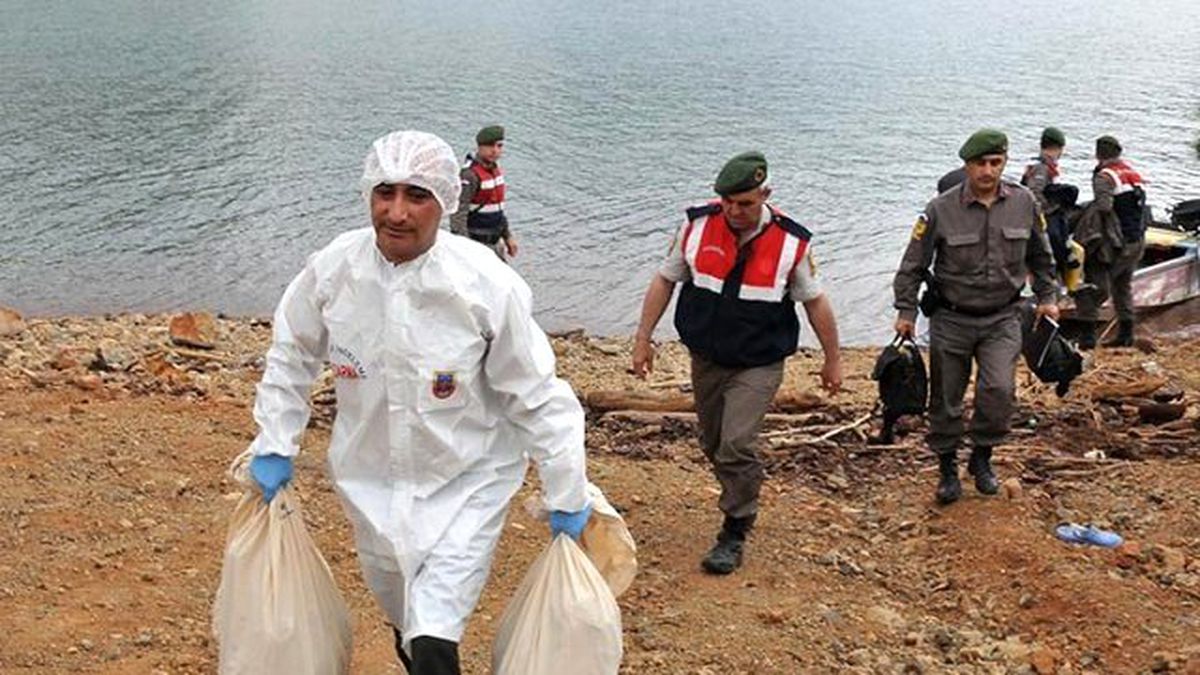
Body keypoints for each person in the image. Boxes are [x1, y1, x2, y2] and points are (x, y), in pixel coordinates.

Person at [244, 130, 591, 675]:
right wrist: (274, 443)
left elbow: (536, 394)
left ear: (446, 201)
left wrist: (566, 489)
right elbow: (291, 356)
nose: (397, 213)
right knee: (405, 620)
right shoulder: (334, 270)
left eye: (417, 196)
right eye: (385, 193)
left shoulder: (484, 284)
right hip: (369, 483)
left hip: (467, 484)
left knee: (433, 637)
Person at [630, 151, 842, 574]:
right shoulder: (696, 225)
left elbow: (815, 302)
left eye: (744, 203)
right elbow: (665, 280)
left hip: (759, 361)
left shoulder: (791, 242)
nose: (734, 211)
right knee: (713, 443)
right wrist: (642, 338)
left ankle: (736, 526)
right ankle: (740, 488)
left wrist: (832, 360)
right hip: (707, 356)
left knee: (737, 443)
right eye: (727, 201)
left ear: (765, 194)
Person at [893, 129, 1057, 505]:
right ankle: (947, 467)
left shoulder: (1024, 202)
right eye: (980, 163)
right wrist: (906, 310)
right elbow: (913, 264)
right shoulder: (940, 209)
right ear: (967, 165)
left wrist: (1048, 297)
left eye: (995, 163)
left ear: (1004, 162)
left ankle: (982, 457)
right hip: (952, 318)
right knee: (946, 397)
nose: (988, 171)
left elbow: (1042, 256)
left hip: (1003, 316)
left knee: (999, 390)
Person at [1072, 135, 1146, 348]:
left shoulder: (1104, 177)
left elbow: (1104, 206)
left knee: (1093, 287)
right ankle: (1126, 335)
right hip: (1136, 240)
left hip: (1116, 242)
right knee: (1122, 286)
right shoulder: (1131, 173)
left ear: (1098, 154)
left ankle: (1086, 338)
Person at [450, 125, 518, 260]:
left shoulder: (495, 172)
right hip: (476, 245)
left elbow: (497, 210)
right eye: (490, 145)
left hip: (495, 243)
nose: (495, 150)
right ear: (479, 147)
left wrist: (508, 236)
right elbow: (458, 215)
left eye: (499, 146)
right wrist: (465, 248)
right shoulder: (469, 175)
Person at [1022, 127, 1077, 279]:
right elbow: (1035, 192)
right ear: (1059, 148)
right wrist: (1046, 211)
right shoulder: (1041, 167)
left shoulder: (1042, 165)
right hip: (1041, 216)